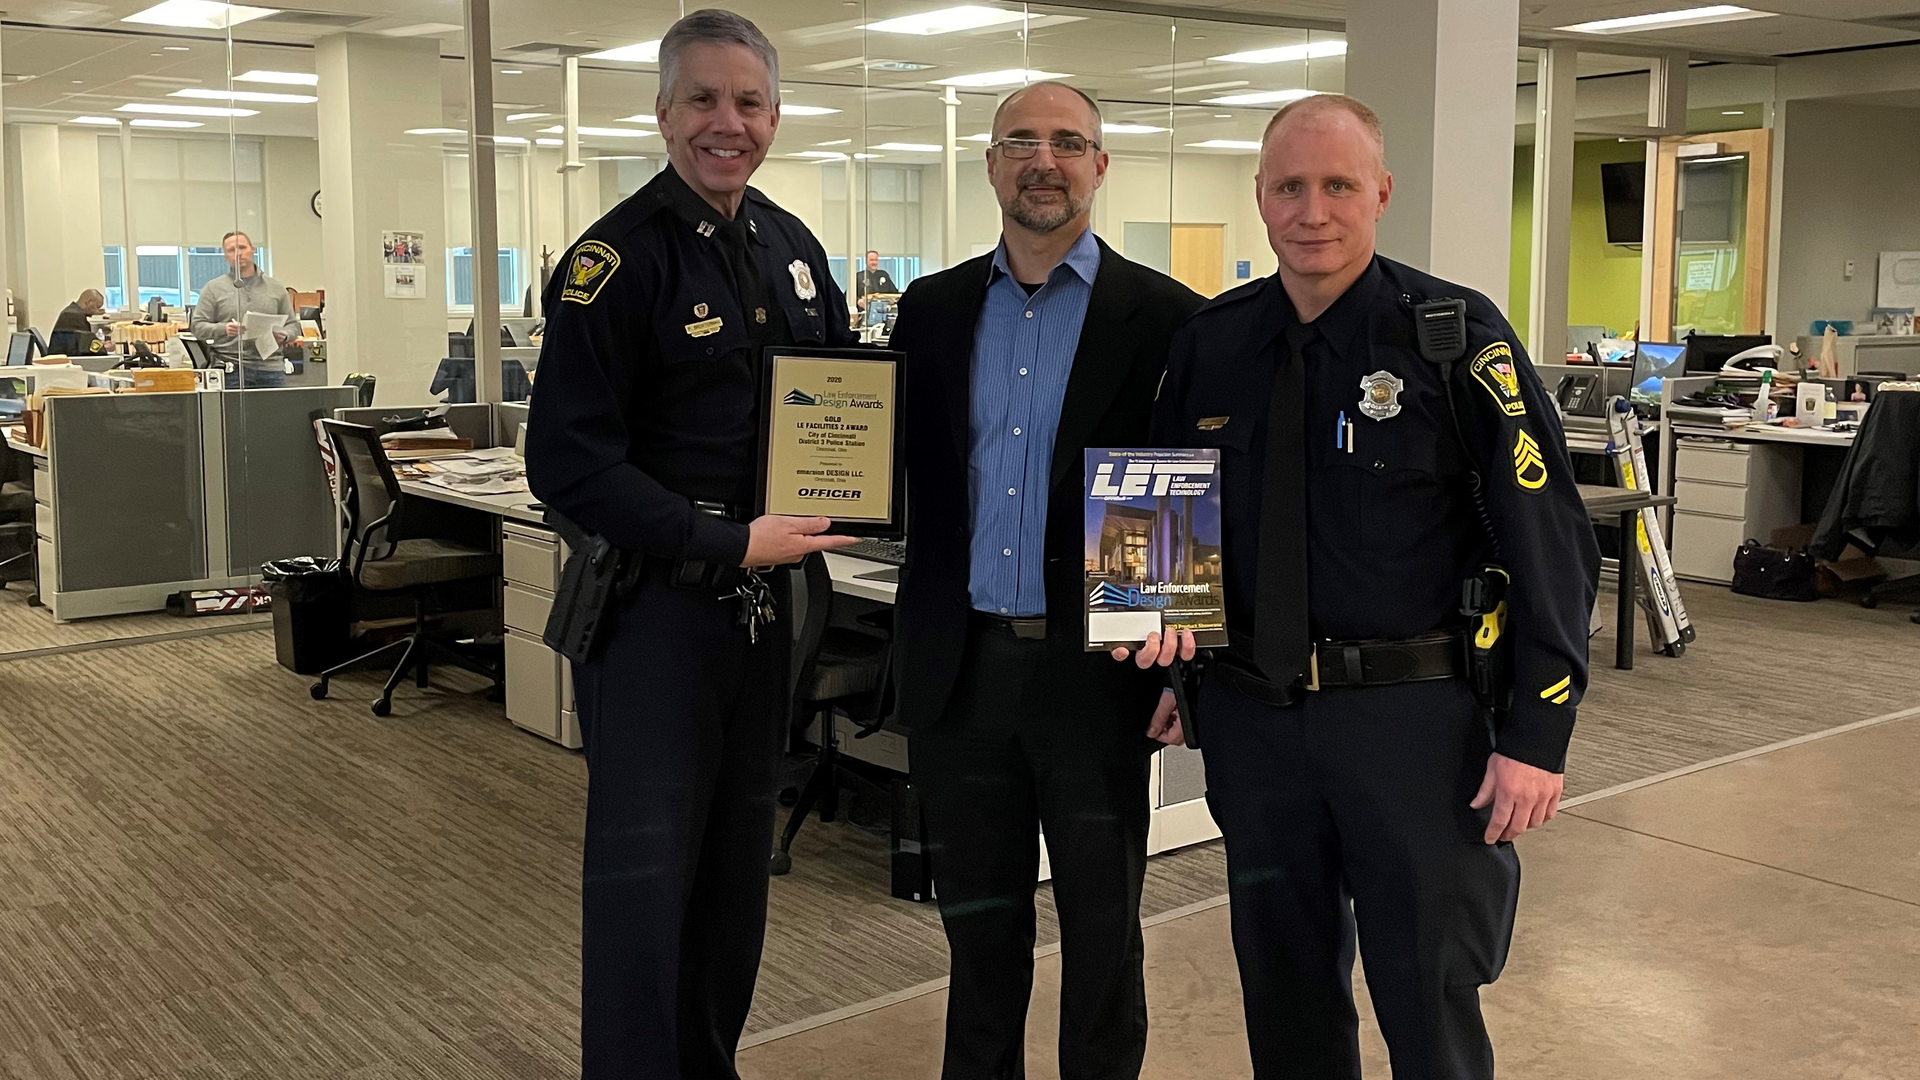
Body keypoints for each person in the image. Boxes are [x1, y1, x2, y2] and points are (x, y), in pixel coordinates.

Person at [1143, 93, 1599, 1079]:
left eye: (1339, 186)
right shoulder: (1211, 342)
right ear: (1260, 197)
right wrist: (1177, 663)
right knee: (1284, 989)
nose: (1313, 211)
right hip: (1257, 724)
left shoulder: (1456, 337)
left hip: (1414, 727)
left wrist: (1538, 734)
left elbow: (1552, 540)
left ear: (1381, 193)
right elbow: (1167, 508)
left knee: (1428, 991)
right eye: (1290, 188)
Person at [523, 10, 857, 1079]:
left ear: (775, 116)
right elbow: (567, 465)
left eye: (749, 102)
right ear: (664, 113)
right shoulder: (615, 260)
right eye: (704, 99)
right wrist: (722, 539)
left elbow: (846, 399)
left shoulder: (791, 249)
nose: (728, 122)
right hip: (655, 612)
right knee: (644, 879)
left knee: (733, 873)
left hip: (766, 612)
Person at [888, 81, 1203, 1080]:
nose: (1044, 161)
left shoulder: (1165, 318)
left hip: (1096, 674)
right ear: (990, 164)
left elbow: (1171, 490)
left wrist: (1175, 663)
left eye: (1068, 143)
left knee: (1103, 932)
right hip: (962, 670)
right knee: (978, 932)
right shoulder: (931, 311)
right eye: (1020, 142)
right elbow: (899, 468)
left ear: (1099, 166)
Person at [190, 231, 298, 387]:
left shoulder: (276, 288)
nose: (238, 253)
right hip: (231, 369)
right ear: (225, 256)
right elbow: (197, 327)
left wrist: (284, 335)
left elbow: (293, 325)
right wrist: (224, 329)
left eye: (242, 247)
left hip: (270, 369)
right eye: (231, 250)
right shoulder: (213, 288)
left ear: (252, 249)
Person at [49, 289, 106, 356]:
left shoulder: (71, 312)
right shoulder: (73, 316)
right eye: (98, 307)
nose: (97, 310)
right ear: (89, 302)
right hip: (65, 358)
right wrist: (104, 347)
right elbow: (86, 347)